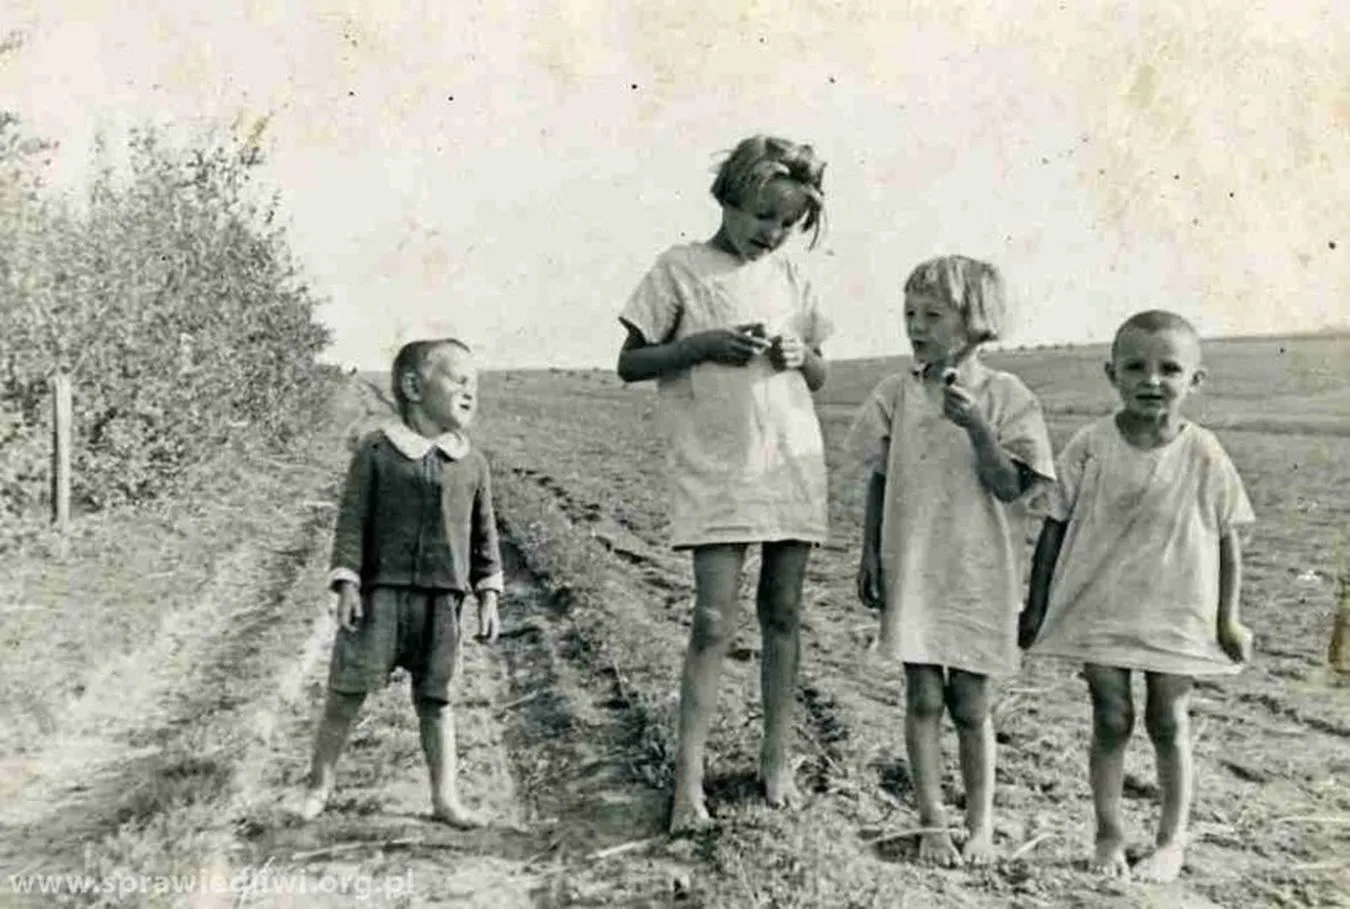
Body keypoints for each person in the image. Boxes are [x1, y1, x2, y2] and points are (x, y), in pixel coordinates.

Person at [615, 135, 833, 834]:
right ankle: (688, 783)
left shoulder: (794, 279)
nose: (772, 232)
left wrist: (804, 355)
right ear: (729, 197)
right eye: (762, 214)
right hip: (716, 466)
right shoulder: (679, 269)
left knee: (784, 613)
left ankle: (776, 762)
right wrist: (703, 346)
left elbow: (821, 371)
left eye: (787, 222)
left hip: (790, 459)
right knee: (712, 620)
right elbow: (631, 361)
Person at [1019, 309, 1255, 882]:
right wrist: (1036, 604)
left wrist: (1228, 621)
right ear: (1112, 374)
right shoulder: (1090, 445)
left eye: (1169, 369)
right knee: (1111, 716)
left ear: (1195, 381)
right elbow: (1053, 526)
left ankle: (1171, 840)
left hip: (1178, 608)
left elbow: (1228, 540)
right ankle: (1108, 834)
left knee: (1168, 719)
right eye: (1136, 367)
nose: (1152, 381)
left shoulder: (1204, 452)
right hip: (1101, 605)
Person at [847, 255, 1056, 866]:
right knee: (921, 699)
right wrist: (868, 553)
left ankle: (981, 824)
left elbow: (1011, 486)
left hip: (977, 572)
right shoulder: (897, 393)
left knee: (971, 705)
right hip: (913, 565)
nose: (916, 326)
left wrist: (977, 428)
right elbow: (880, 479)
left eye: (933, 315)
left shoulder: (1007, 396)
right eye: (910, 313)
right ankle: (932, 822)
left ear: (976, 322)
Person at [298, 338, 504, 827]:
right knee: (346, 690)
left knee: (438, 699)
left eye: (475, 383)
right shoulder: (378, 451)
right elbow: (352, 520)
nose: (470, 391)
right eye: (458, 379)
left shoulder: (471, 463)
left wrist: (489, 594)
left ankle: (445, 797)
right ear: (414, 386)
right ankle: (318, 786)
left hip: (443, 603)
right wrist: (347, 582)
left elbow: (485, 535)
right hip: (379, 597)